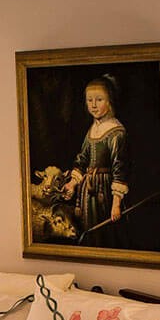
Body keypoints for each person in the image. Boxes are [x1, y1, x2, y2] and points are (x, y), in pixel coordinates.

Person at [62, 75, 129, 247]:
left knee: (107, 235)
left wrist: (116, 204)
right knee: (89, 232)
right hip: (88, 192)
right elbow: (82, 159)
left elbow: (119, 169)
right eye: (89, 100)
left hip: (105, 192)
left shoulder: (117, 132)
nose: (93, 105)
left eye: (99, 100)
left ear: (109, 101)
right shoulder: (92, 129)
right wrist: (72, 184)